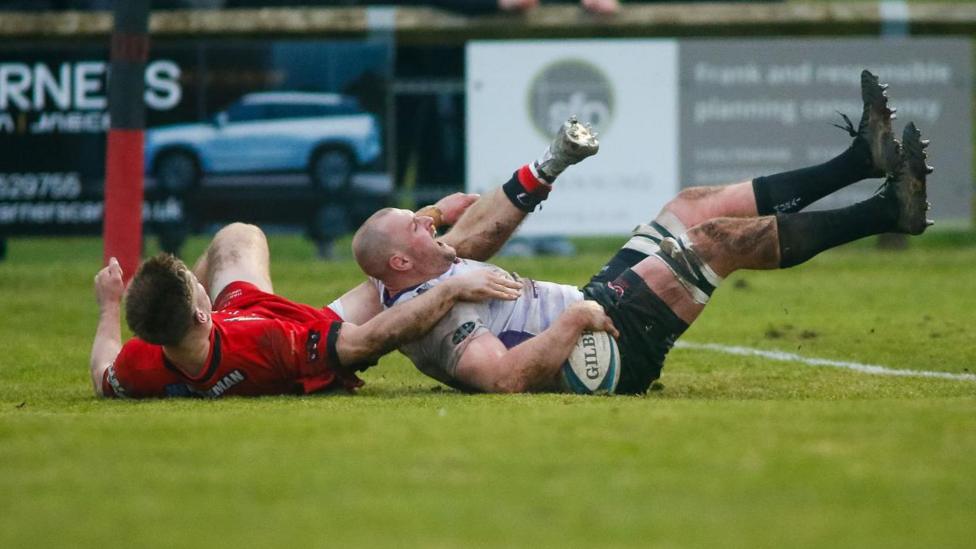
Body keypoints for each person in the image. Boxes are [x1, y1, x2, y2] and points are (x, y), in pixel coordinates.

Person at [352, 70, 934, 394]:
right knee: (714, 243)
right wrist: (575, 322)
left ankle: (861, 161)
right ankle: (886, 213)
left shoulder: (415, 273)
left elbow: (466, 233)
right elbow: (499, 378)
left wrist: (475, 199)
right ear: (402, 263)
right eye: (419, 227)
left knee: (691, 205)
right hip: (605, 346)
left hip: (592, 302)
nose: (432, 225)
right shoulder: (435, 321)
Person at [90, 216, 523, 398]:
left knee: (238, 236)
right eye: (193, 284)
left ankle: (425, 222)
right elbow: (366, 341)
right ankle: (534, 178)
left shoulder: (140, 362)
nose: (198, 280)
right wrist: (451, 291)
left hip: (240, 317)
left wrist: (110, 305)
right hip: (289, 330)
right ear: (201, 314)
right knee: (421, 267)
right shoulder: (270, 341)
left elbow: (100, 374)